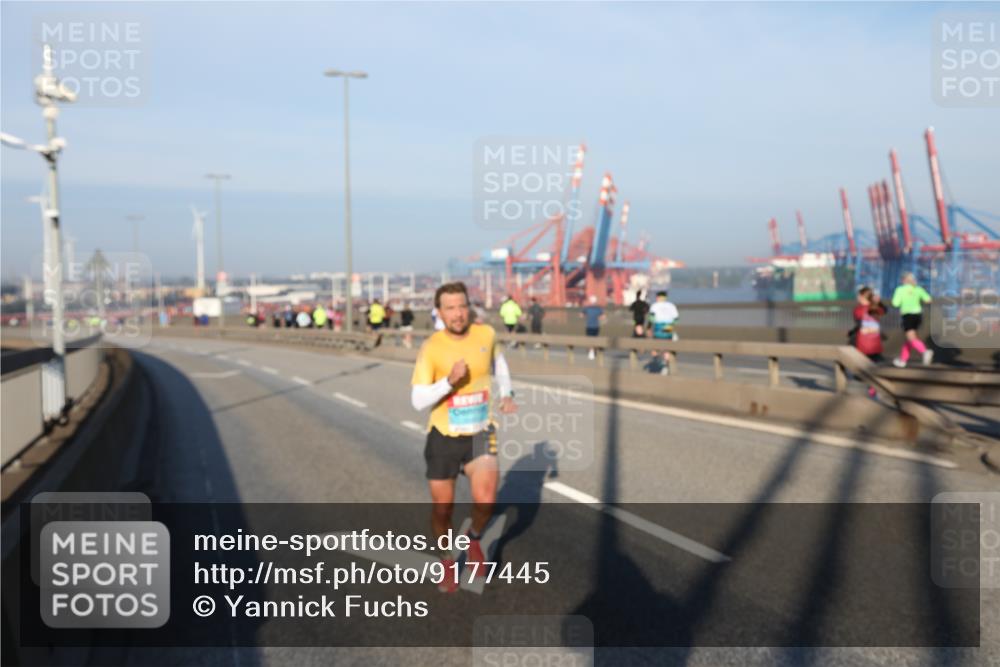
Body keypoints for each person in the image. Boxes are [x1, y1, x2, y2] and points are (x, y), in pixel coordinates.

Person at [410, 282, 517, 593]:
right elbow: (417, 401)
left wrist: (507, 392)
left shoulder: (486, 334)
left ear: (469, 306)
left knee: (487, 500)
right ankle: (446, 559)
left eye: (462, 306)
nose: (457, 313)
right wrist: (448, 382)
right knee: (443, 508)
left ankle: (473, 540)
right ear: (440, 312)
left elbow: (500, 363)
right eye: (450, 308)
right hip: (444, 437)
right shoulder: (432, 347)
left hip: (481, 431)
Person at [891, 272, 933, 367]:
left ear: (903, 280)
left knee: (911, 337)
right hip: (918, 315)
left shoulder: (900, 289)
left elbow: (895, 303)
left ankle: (925, 351)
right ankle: (903, 359)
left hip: (907, 315)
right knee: (910, 338)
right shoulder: (918, 289)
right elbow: (928, 299)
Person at [853, 286, 887, 398]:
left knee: (862, 370)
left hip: (863, 344)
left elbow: (857, 320)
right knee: (874, 369)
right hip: (875, 344)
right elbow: (885, 310)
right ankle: (874, 390)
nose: (857, 297)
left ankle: (872, 390)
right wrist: (878, 302)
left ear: (862, 296)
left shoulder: (859, 309)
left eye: (859, 295)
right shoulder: (876, 308)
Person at [648, 291, 679, 374]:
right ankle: (665, 365)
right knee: (667, 347)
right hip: (668, 326)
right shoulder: (671, 305)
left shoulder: (654, 305)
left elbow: (651, 318)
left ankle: (657, 361)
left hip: (658, 326)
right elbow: (676, 319)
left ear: (657, 297)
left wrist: (649, 328)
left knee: (655, 346)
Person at [581, 295, 604, 360]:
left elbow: (582, 315)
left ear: (590, 301)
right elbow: (602, 317)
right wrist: (596, 317)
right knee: (595, 339)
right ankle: (593, 351)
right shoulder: (598, 308)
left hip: (589, 326)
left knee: (589, 339)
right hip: (596, 326)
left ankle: (591, 352)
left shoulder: (587, 308)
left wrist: (588, 317)